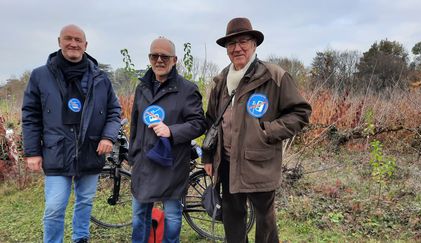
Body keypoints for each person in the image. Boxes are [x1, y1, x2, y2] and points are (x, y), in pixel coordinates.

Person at [202, 17, 312, 243]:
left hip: (259, 162)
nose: (237, 48)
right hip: (227, 163)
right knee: (233, 218)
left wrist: (267, 132)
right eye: (231, 44)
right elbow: (211, 120)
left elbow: (300, 113)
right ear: (226, 49)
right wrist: (208, 156)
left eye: (243, 41)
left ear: (254, 44)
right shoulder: (220, 81)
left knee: (265, 220)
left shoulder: (274, 76)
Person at [22, 24, 121, 243]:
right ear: (59, 41)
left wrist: (108, 136)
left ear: (86, 45)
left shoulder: (100, 78)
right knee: (55, 207)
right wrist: (32, 152)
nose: (73, 43)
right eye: (68, 39)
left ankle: (80, 238)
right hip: (57, 150)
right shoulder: (40, 76)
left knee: (85, 202)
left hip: (90, 149)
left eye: (78, 40)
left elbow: (114, 111)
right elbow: (30, 115)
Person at [128, 37, 206, 243]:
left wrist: (171, 131)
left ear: (175, 60)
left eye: (165, 56)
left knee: (172, 216)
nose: (159, 60)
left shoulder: (188, 89)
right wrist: (133, 154)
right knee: (138, 216)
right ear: (149, 58)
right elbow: (135, 124)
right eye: (155, 55)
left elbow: (199, 123)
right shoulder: (141, 87)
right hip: (144, 163)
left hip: (172, 163)